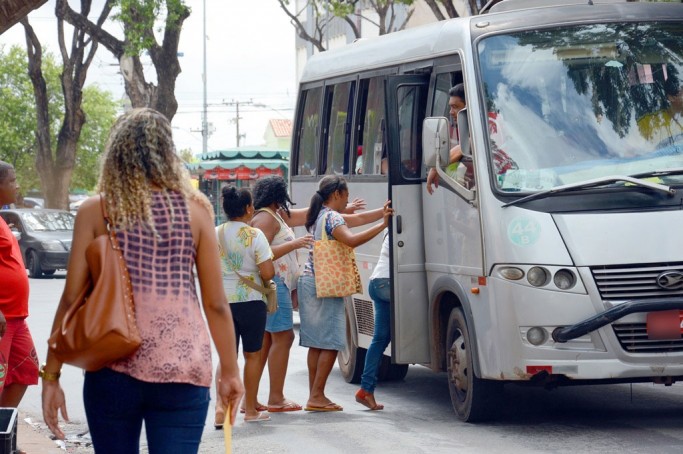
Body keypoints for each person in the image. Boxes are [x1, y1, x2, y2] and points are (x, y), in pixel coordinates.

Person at [41, 108, 244, 453]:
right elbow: (215, 303)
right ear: (168, 153)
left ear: (116, 153)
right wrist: (229, 369)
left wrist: (52, 376)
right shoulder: (196, 211)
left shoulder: (96, 211)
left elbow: (71, 298)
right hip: (183, 369)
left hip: (112, 364)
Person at [298, 175, 393, 412]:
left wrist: (381, 213)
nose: (347, 201)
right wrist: (382, 225)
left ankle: (314, 395)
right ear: (337, 194)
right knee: (331, 341)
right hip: (326, 283)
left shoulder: (319, 214)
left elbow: (358, 218)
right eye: (346, 196)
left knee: (316, 344)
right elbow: (350, 240)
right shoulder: (332, 216)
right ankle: (318, 395)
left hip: (310, 281)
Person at [250, 176, 312, 413]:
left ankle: (253, 398)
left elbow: (306, 214)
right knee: (283, 338)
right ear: (279, 195)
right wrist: (294, 244)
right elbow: (261, 253)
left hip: (274, 283)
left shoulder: (272, 215)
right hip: (274, 284)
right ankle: (276, 397)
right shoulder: (266, 217)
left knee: (267, 340)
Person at [215, 186, 275, 424]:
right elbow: (268, 272)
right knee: (253, 356)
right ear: (249, 208)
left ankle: (221, 409)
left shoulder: (214, 233)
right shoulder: (255, 235)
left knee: (226, 357)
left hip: (222, 302)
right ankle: (250, 410)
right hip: (251, 302)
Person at [0, 161, 40, 417]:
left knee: (26, 370)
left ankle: (4, 436)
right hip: (2, 318)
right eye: (12, 181)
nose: (17, 186)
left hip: (16, 317)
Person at [355, 228, 390, 410]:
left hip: (377, 282)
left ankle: (366, 390)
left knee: (380, 340)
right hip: (388, 282)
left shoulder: (389, 227)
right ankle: (366, 389)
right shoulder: (404, 224)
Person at [427, 83, 466, 194]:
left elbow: (471, 144)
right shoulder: (456, 127)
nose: (450, 112)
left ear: (468, 108)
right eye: (450, 107)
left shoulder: (488, 124)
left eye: (455, 107)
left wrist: (436, 168)